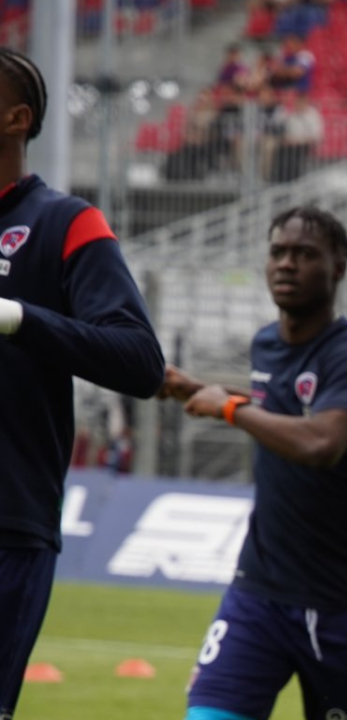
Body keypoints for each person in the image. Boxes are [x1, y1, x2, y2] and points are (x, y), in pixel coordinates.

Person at [156, 206, 347, 720]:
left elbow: (320, 443)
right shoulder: (266, 342)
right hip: (259, 592)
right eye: (278, 252)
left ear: (339, 267)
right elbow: (280, 408)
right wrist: (196, 388)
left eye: (305, 254)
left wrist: (228, 407)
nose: (287, 264)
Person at [0, 48, 165, 718]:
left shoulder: (65, 223)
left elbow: (139, 361)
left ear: (16, 117)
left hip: (7, 524)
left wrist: (15, 318)